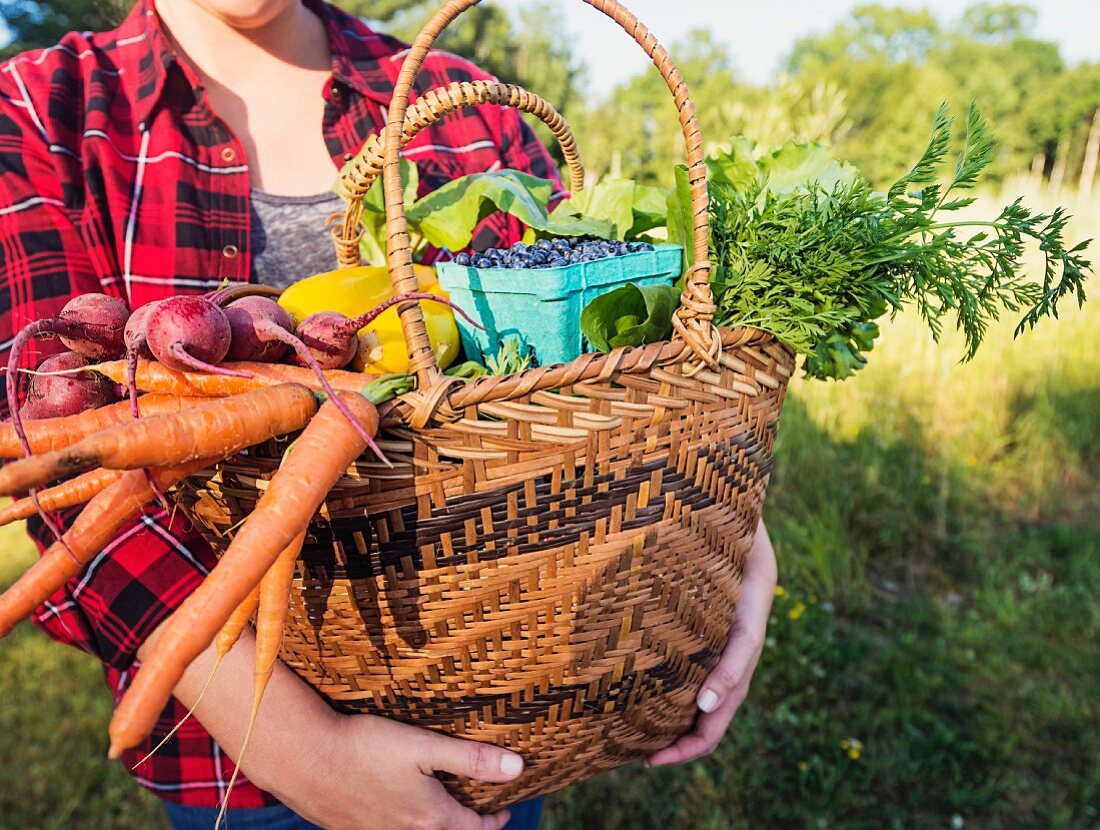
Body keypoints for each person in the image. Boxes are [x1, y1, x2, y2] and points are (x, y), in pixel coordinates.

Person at [0, 0, 778, 827]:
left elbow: (608, 372)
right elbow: (60, 456)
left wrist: (728, 535)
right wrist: (306, 754)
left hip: (506, 707)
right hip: (238, 753)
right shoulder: (37, 115)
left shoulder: (462, 101)